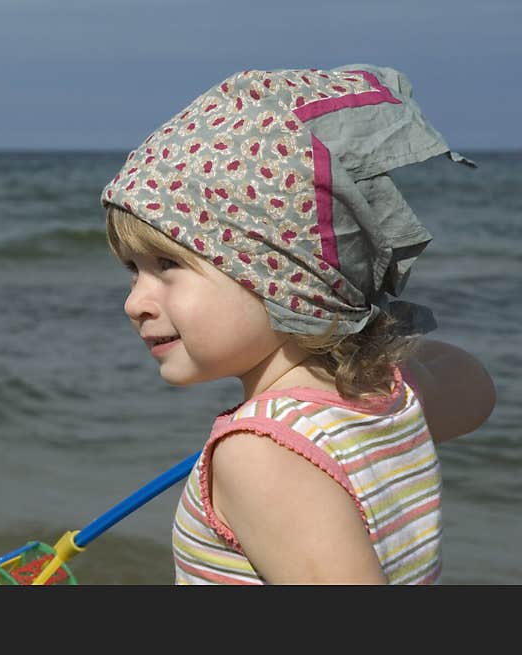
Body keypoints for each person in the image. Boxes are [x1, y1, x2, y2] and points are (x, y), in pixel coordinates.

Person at [100, 64, 496, 584]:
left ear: (279, 272)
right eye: (134, 272)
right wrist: (352, 324)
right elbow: (476, 388)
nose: (136, 304)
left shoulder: (260, 456)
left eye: (167, 266)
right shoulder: (390, 396)